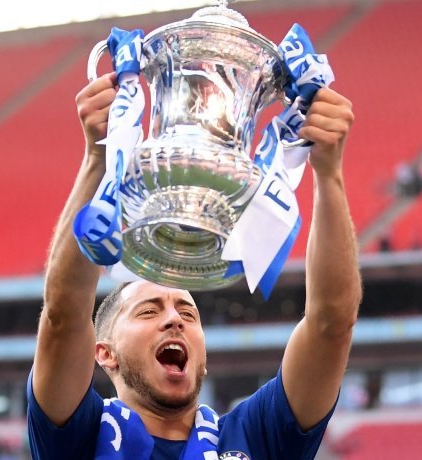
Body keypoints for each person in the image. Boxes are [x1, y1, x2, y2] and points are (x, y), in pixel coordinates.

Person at [26, 71, 361, 459]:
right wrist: (100, 157)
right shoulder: (76, 437)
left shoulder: (254, 436)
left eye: (188, 312)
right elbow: (63, 316)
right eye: (149, 311)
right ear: (105, 353)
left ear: (202, 353)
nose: (175, 320)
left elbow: (332, 323)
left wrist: (329, 173)